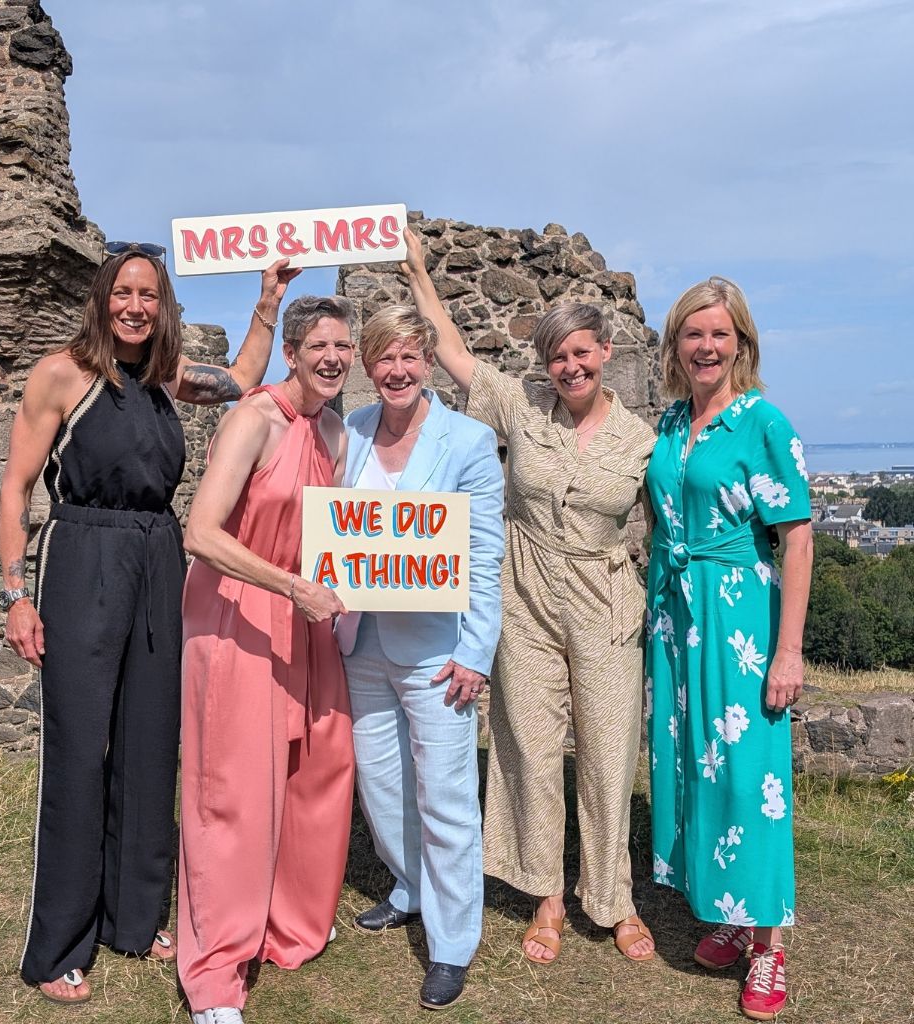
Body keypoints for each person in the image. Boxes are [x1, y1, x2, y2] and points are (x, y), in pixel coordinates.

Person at [0, 241, 298, 1004]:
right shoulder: (60, 373)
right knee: (80, 748)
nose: (136, 306)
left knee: (148, 744)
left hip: (158, 555)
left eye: (150, 295)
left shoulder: (164, 377)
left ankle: (133, 918)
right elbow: (16, 490)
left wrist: (267, 302)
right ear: (103, 297)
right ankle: (59, 944)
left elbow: (236, 382)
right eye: (125, 292)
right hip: (82, 555)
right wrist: (14, 595)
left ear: (161, 306)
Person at [401, 228, 658, 964]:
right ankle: (545, 894)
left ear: (605, 353)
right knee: (530, 748)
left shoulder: (642, 439)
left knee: (610, 752)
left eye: (581, 351)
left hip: (608, 601)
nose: (570, 364)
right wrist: (418, 267)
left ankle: (614, 899)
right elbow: (452, 353)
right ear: (545, 362)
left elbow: (670, 524)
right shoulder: (522, 407)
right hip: (527, 596)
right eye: (557, 354)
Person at [177, 295, 357, 1024]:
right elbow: (199, 533)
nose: (333, 358)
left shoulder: (335, 432)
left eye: (343, 347)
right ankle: (216, 970)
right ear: (292, 351)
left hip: (304, 614)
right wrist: (290, 586)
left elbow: (338, 534)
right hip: (237, 610)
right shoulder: (252, 418)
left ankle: (288, 922)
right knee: (235, 787)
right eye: (320, 345)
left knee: (319, 765)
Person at [645, 277, 812, 1019]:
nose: (706, 346)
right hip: (679, 618)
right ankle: (729, 914)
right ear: (675, 345)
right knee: (695, 769)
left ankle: (769, 948)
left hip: (741, 617)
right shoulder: (674, 420)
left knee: (751, 777)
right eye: (693, 334)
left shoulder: (763, 422)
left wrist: (789, 651)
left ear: (741, 343)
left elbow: (798, 538)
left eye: (720, 334)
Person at [338, 306, 505, 1010]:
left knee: (445, 797)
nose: (397, 370)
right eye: (384, 358)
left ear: (429, 363)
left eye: (410, 357)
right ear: (367, 366)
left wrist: (477, 652)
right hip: (359, 639)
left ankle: (452, 943)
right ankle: (409, 887)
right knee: (379, 787)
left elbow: (486, 556)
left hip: (438, 647)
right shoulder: (345, 433)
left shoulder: (468, 440)